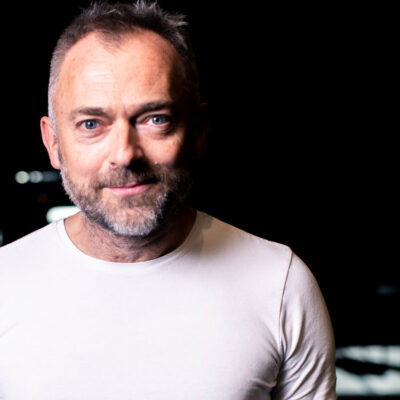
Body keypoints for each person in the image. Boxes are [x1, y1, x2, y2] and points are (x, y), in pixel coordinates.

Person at [0, 1, 336, 399]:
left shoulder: (280, 285)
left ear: (198, 132)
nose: (125, 153)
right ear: (53, 142)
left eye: (155, 119)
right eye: (92, 124)